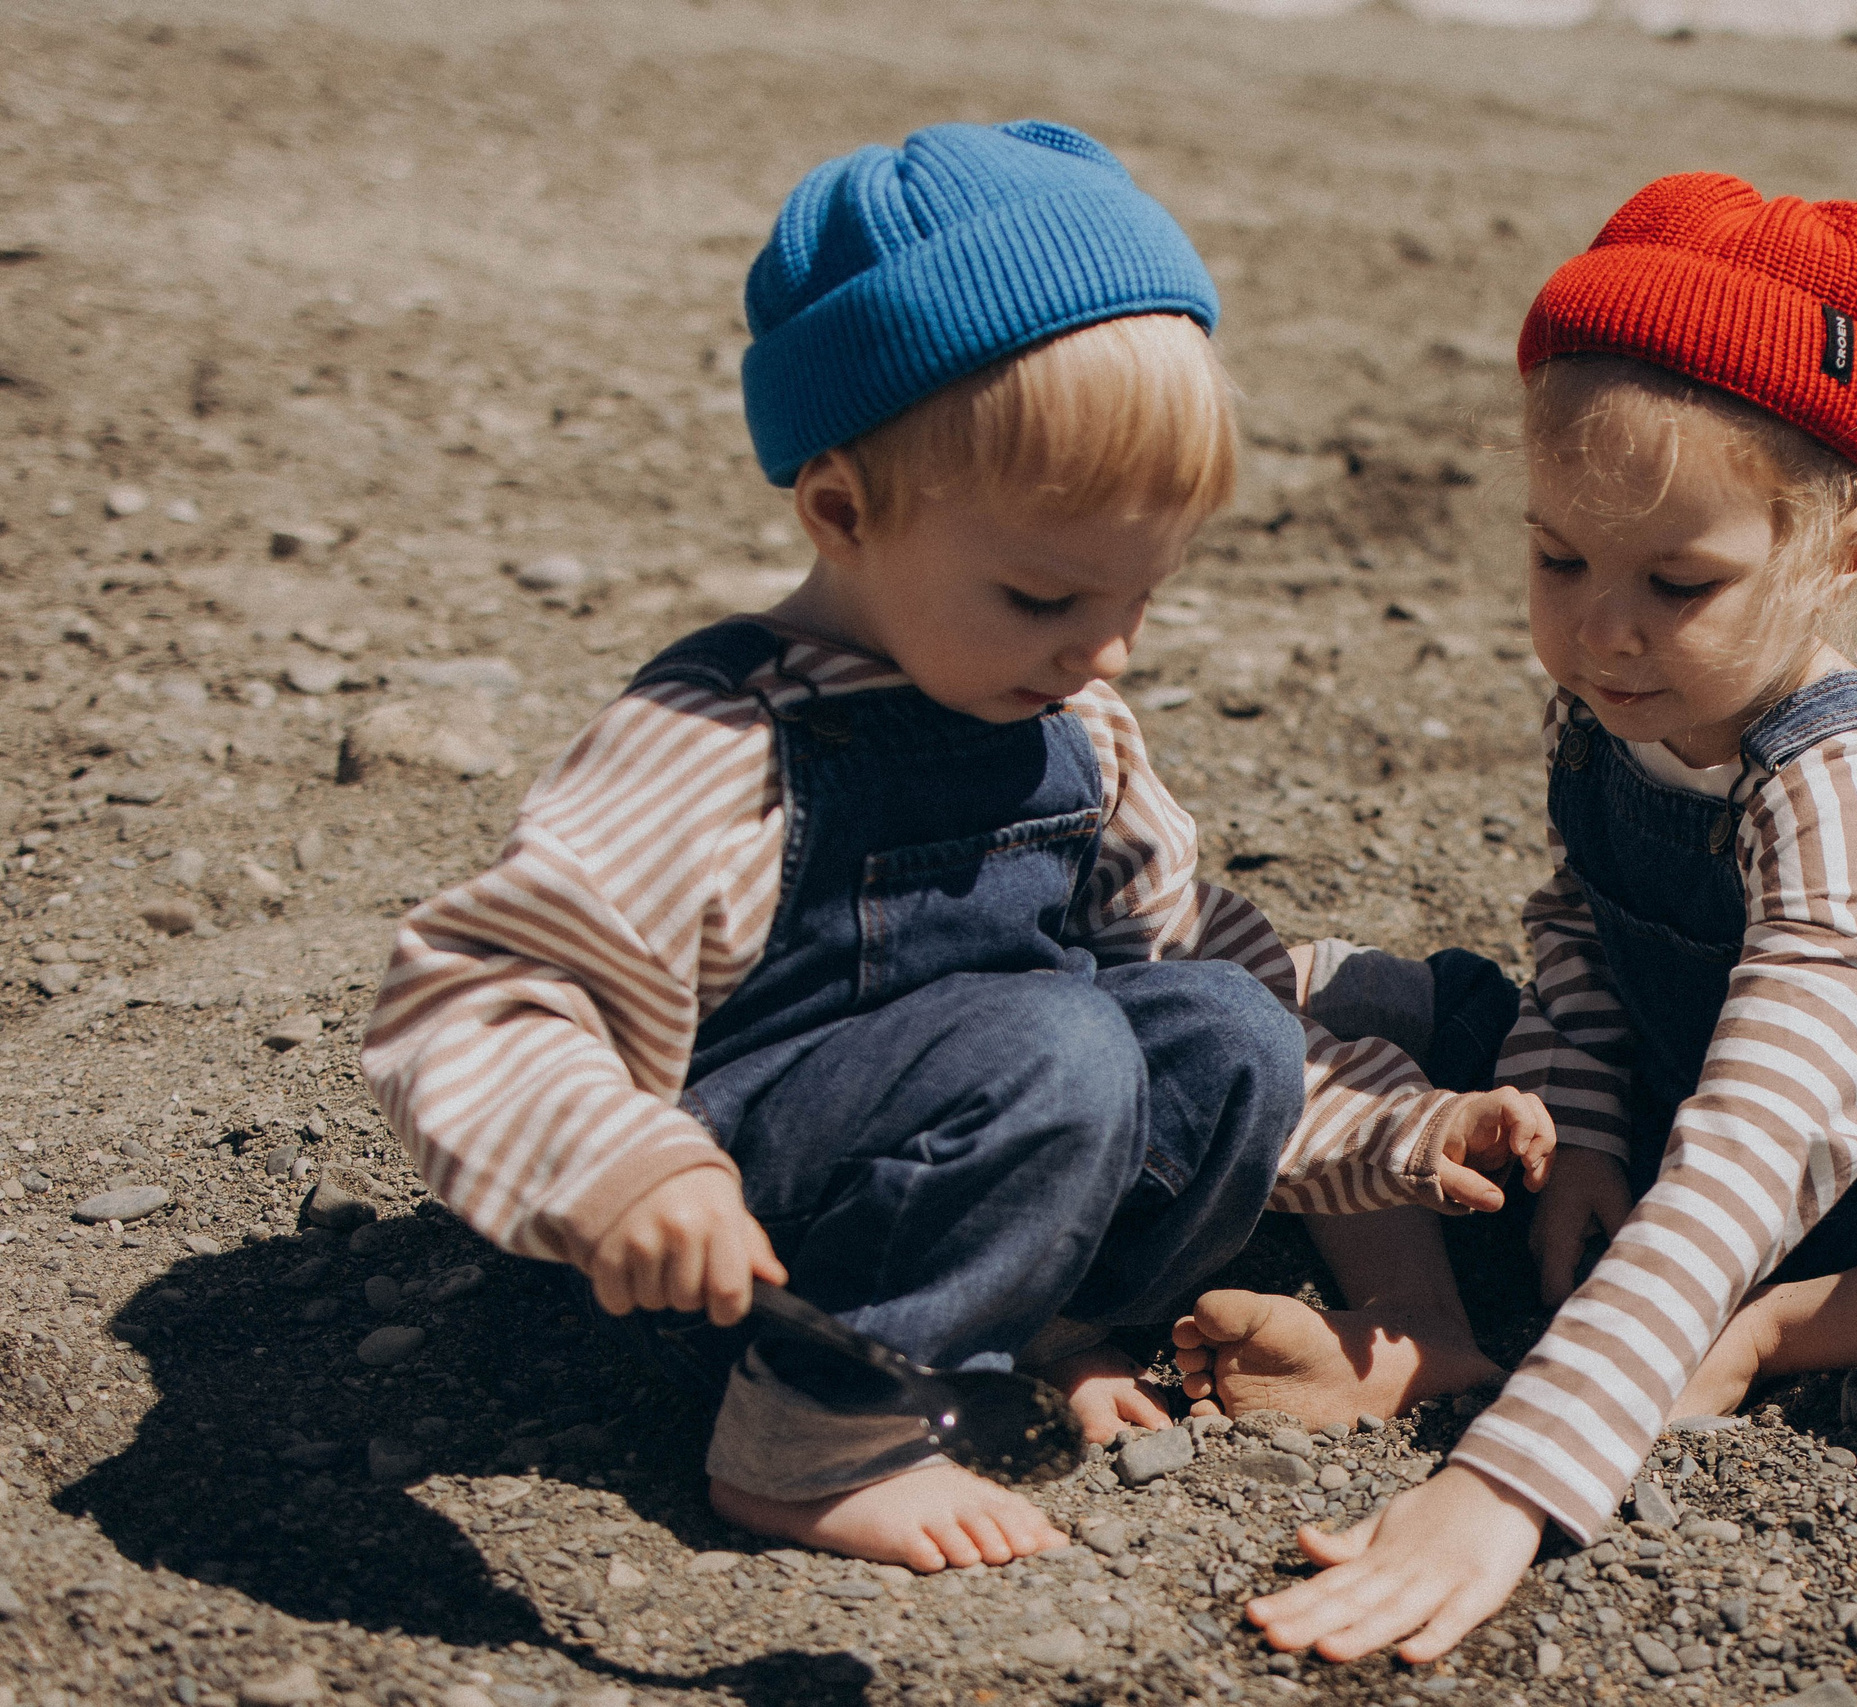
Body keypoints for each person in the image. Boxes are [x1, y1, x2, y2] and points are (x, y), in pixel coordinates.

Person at [360, 120, 1551, 1576]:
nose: (1103, 648)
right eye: (1044, 594)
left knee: (1227, 1028)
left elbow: (1192, 967)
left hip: (988, 1146)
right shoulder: (722, 739)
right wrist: (628, 1170)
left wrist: (1398, 1130)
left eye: (1139, 596)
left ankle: (1020, 1325)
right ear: (845, 509)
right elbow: (475, 991)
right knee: (1058, 1045)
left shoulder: (1078, 718)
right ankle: (813, 1438)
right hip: (741, 1255)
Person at [1171, 170, 1857, 1662]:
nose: (1600, 626)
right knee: (1312, 996)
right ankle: (1421, 1329)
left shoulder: (1843, 799)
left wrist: (1507, 1486)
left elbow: (1753, 1148)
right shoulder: (1624, 704)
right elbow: (1581, 936)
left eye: (1677, 582)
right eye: (1557, 558)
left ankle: (1777, 1334)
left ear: (1843, 554)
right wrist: (1586, 1128)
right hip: (1667, 1095)